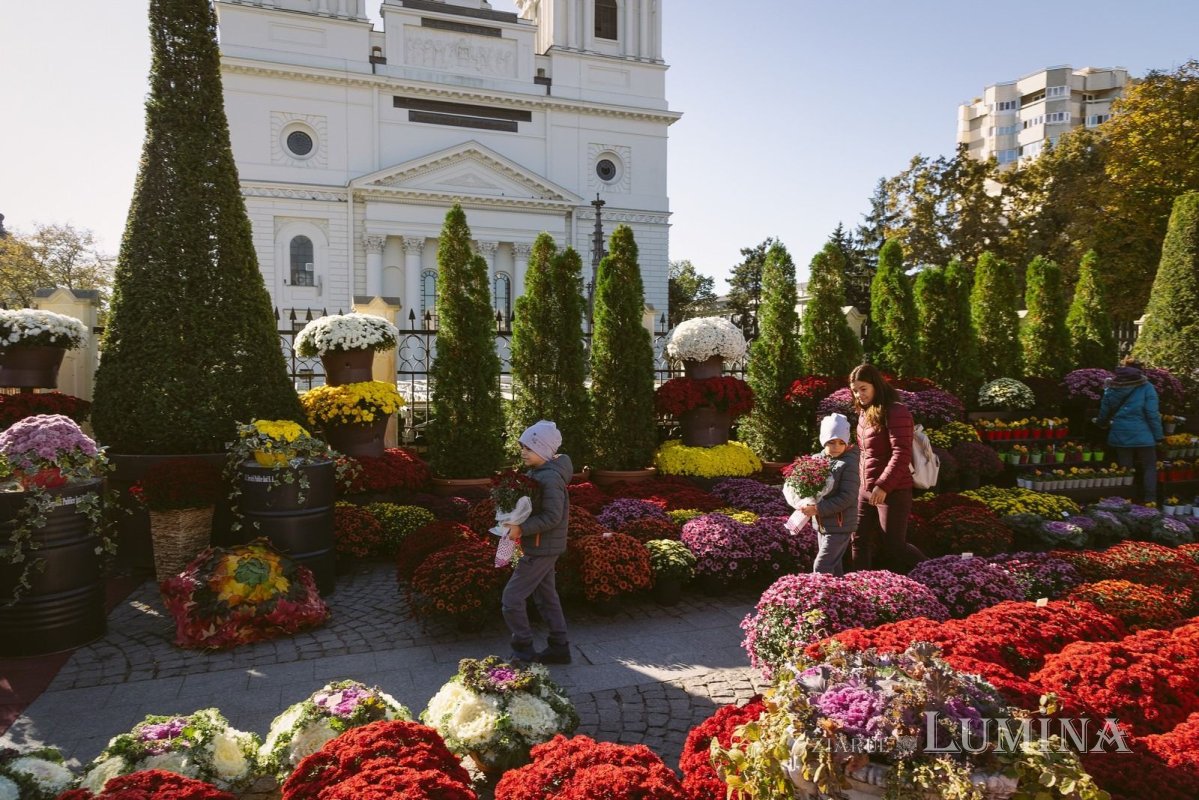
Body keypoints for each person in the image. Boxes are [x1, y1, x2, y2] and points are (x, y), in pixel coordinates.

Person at [502, 420, 572, 665]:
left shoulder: (550, 478)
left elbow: (553, 516)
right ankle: (559, 647)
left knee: (511, 599)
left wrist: (522, 528)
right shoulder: (537, 473)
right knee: (546, 597)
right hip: (541, 544)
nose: (523, 452)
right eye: (522, 446)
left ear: (544, 450)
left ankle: (523, 648)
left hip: (543, 547)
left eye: (529, 448)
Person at [849, 364, 926, 572]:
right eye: (855, 390)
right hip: (865, 490)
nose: (859, 394)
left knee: (894, 545)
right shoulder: (864, 413)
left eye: (863, 388)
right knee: (858, 539)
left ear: (876, 385)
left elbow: (902, 453)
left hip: (893, 490)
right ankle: (860, 589)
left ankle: (934, 571)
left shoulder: (895, 410)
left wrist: (883, 486)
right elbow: (866, 454)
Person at [798, 413, 860, 576]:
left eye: (841, 442)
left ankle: (819, 600)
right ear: (823, 441)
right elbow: (807, 487)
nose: (836, 447)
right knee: (834, 569)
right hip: (822, 524)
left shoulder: (849, 463)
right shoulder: (816, 460)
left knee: (821, 567)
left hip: (840, 525)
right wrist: (804, 500)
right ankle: (843, 599)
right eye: (831, 442)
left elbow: (848, 497)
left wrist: (817, 509)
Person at [1097, 358, 1164, 504]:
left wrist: (1101, 423)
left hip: (1120, 432)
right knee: (1149, 466)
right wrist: (1158, 436)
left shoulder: (1112, 387)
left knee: (1125, 468)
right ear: (1140, 371)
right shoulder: (1147, 387)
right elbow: (1152, 413)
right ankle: (1150, 499)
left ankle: (1125, 500)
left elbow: (1104, 410)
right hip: (1144, 434)